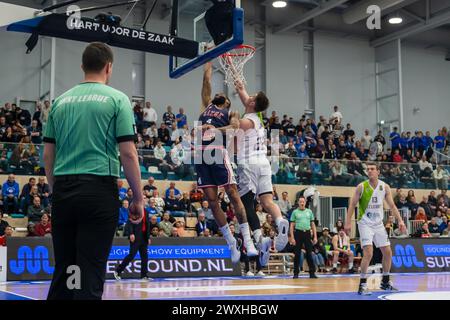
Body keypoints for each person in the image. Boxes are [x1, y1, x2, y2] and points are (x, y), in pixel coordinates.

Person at [43, 43, 143, 300]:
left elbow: (48, 155)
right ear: (109, 67)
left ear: (82, 66)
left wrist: (57, 191)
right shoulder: (117, 99)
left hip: (64, 192)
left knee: (66, 271)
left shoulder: (59, 102)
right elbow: (128, 153)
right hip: (97, 192)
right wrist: (138, 197)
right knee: (89, 273)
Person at [193, 62, 257, 263]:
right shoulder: (207, 105)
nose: (219, 93)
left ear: (228, 102)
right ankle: (231, 243)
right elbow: (206, 81)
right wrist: (208, 62)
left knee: (232, 194)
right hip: (201, 156)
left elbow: (235, 127)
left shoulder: (231, 113)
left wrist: (213, 131)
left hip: (219, 153)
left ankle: (247, 240)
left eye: (224, 95)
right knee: (212, 202)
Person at [233, 75, 289, 265]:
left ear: (253, 102)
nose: (249, 96)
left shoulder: (248, 120)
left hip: (249, 164)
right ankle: (280, 221)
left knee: (246, 205)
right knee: (267, 201)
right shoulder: (256, 116)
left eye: (252, 96)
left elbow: (233, 126)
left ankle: (258, 238)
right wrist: (239, 84)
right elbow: (244, 97)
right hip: (263, 163)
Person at [345, 162, 406, 295]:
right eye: (368, 169)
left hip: (378, 224)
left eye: (372, 169)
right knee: (368, 252)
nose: (370, 171)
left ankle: (385, 282)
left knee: (388, 252)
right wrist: (348, 222)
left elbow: (392, 206)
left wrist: (400, 221)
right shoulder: (361, 187)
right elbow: (352, 205)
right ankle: (362, 284)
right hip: (365, 223)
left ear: (378, 171)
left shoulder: (385, 187)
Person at [114, 213, 151, 281]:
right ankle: (118, 271)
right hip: (135, 237)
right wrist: (131, 233)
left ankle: (144, 275)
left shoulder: (146, 211)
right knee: (131, 255)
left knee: (145, 257)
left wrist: (148, 237)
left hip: (144, 238)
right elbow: (129, 223)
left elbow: (147, 225)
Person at [289, 196, 318, 279]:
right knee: (297, 254)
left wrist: (315, 236)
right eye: (300, 202)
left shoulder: (309, 211)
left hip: (307, 233)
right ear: (298, 202)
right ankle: (296, 273)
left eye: (303, 202)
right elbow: (291, 226)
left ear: (305, 202)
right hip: (298, 233)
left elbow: (313, 225)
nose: (302, 203)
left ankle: (312, 273)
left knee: (309, 253)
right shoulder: (295, 212)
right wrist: (292, 237)